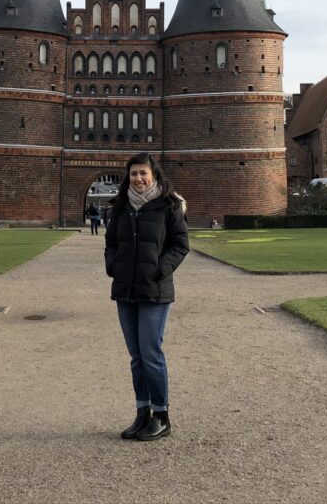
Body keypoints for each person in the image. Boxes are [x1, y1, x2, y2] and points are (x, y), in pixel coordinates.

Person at [104, 152, 189, 441]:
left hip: (155, 290)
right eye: (134, 174)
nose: (138, 179)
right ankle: (143, 413)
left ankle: (162, 416)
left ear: (154, 175)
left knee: (151, 353)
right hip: (125, 290)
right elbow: (111, 242)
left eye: (143, 173)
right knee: (136, 356)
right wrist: (112, 266)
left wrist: (159, 269)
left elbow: (180, 245)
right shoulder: (121, 206)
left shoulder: (170, 205)